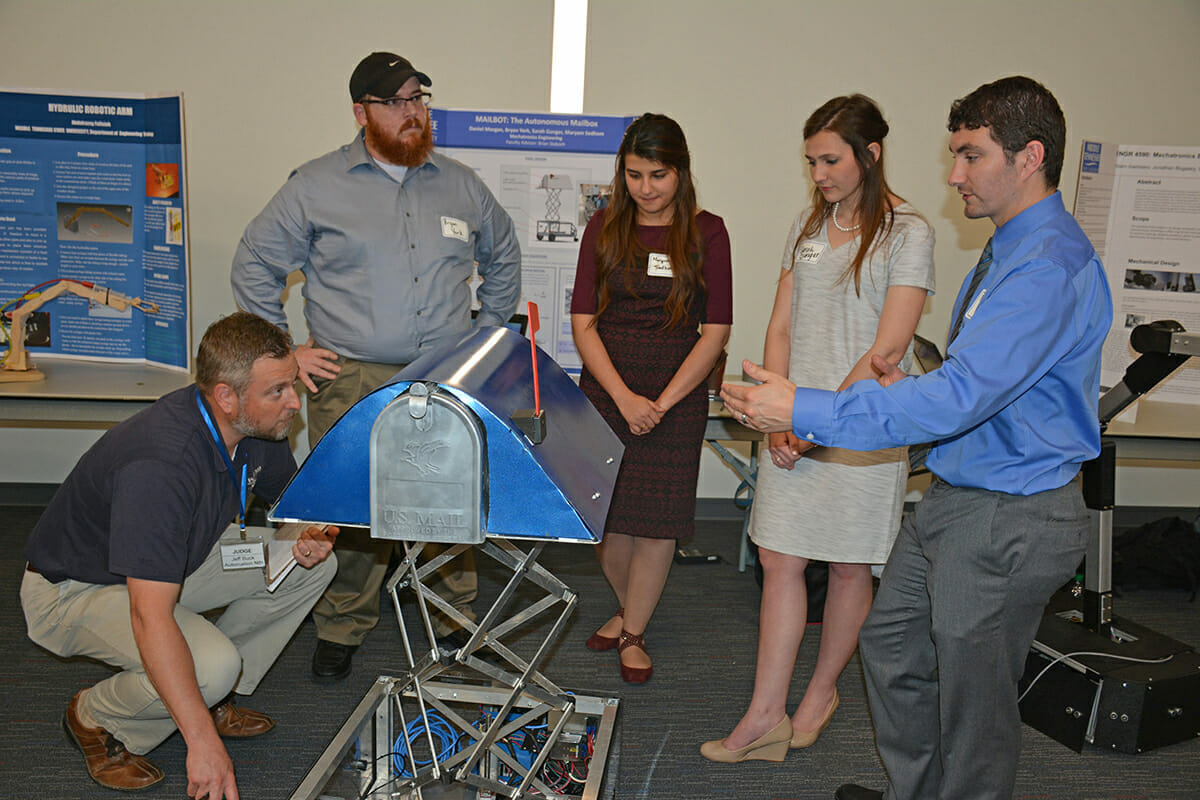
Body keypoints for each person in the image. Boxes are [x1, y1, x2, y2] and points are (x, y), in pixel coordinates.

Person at [722, 76, 1113, 800]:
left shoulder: (1047, 267)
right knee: (893, 648)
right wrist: (896, 394)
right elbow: (973, 381)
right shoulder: (1012, 249)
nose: (953, 174)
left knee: (974, 702)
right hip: (955, 498)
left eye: (970, 155)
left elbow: (960, 396)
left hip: (1009, 513)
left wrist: (803, 410)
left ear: (1029, 157)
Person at [231, 52, 522, 683]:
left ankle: (453, 621)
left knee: (448, 501)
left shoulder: (461, 184)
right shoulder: (315, 185)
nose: (414, 112)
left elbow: (503, 257)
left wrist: (487, 339)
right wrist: (284, 353)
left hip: (444, 375)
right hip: (351, 375)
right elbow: (253, 265)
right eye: (398, 102)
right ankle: (342, 625)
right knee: (354, 507)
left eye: (420, 98)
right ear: (362, 112)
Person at [701, 95, 934, 763]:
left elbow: (887, 350)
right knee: (779, 558)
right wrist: (782, 408)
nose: (820, 174)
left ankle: (820, 692)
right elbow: (780, 324)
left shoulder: (907, 232)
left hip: (861, 426)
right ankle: (763, 713)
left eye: (830, 160)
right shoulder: (807, 228)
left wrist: (812, 417)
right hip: (794, 422)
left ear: (871, 154)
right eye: (811, 162)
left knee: (850, 564)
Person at [20, 311, 338, 798]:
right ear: (226, 397)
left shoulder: (258, 427)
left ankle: (212, 695)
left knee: (310, 566)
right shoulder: (162, 465)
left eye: (290, 385)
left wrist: (308, 531)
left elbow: (290, 505)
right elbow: (150, 616)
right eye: (277, 391)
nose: (293, 403)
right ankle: (95, 718)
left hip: (181, 557)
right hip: (76, 589)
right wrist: (202, 743)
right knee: (208, 667)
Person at [571, 113, 732, 683]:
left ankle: (634, 629)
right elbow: (584, 321)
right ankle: (626, 605)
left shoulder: (708, 232)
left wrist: (660, 403)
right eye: (634, 174)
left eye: (658, 174)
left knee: (658, 523)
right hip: (608, 389)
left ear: (681, 172)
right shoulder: (605, 225)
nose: (645, 188)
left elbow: (715, 332)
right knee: (607, 523)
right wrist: (623, 397)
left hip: (677, 395)